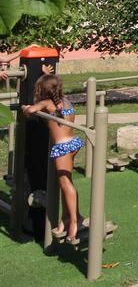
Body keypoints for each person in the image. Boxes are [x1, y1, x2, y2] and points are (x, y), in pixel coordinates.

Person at [22, 75, 84, 243]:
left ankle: (75, 220)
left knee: (66, 184)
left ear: (42, 91)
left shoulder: (46, 103)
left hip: (62, 148)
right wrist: (45, 72)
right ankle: (66, 218)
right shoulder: (66, 101)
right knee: (66, 183)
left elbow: (31, 110)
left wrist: (25, 108)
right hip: (73, 143)